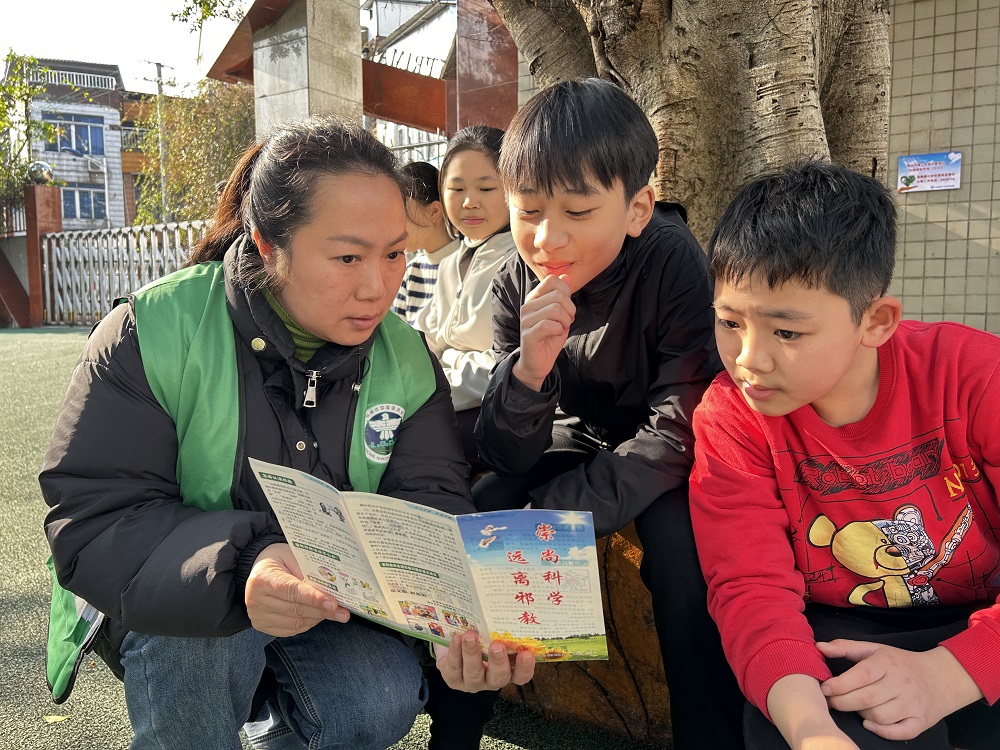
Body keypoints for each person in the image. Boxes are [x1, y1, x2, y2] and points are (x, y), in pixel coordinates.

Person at [40, 116, 531, 750]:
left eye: (393, 254)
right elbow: (93, 521)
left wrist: (452, 629)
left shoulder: (406, 358)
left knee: (376, 696)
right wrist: (248, 563)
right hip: (175, 602)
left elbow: (430, 504)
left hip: (327, 607)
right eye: (348, 257)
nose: (378, 287)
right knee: (198, 652)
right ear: (268, 243)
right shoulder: (152, 330)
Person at [472, 78, 745, 749]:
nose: (547, 238)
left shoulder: (676, 264)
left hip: (670, 448)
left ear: (637, 207)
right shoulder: (515, 280)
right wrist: (530, 370)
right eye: (528, 210)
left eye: (577, 211)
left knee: (682, 556)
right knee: (484, 511)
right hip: (576, 436)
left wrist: (567, 509)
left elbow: (680, 427)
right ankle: (460, 729)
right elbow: (508, 452)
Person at [689, 161, 1000, 750]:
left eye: (787, 332)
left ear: (875, 322)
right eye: (730, 323)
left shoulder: (973, 376)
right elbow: (749, 587)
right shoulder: (733, 416)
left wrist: (949, 672)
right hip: (833, 635)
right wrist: (811, 732)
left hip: (984, 618)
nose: (749, 359)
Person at [415, 126, 517, 475]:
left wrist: (433, 387)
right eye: (456, 189)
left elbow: (505, 366)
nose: (469, 202)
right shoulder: (450, 263)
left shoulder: (521, 264)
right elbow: (426, 338)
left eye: (486, 188)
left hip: (491, 409)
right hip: (442, 397)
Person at [392, 161, 460, 325]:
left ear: (434, 211)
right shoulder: (410, 271)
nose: (396, 224)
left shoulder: (468, 264)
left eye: (404, 212)